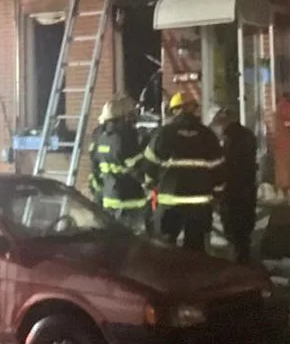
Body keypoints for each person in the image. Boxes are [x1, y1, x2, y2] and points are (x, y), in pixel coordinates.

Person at [144, 92, 224, 251]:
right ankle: (193, 276)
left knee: (165, 250)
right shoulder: (207, 135)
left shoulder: (163, 134)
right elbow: (219, 168)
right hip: (199, 207)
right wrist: (216, 193)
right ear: (193, 110)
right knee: (195, 251)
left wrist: (151, 186)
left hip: (169, 203)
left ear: (175, 110)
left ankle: (169, 275)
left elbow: (149, 165)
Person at [88, 96, 146, 231]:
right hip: (130, 200)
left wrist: (99, 192)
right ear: (122, 117)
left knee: (112, 239)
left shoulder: (101, 137)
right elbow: (135, 166)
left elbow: (95, 167)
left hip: (109, 198)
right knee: (132, 243)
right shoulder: (125, 136)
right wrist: (148, 184)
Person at [210, 106, 257, 264]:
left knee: (232, 224)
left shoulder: (227, 138)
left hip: (231, 189)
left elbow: (225, 164)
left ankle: (238, 261)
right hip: (248, 187)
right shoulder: (248, 135)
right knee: (245, 224)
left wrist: (218, 188)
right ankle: (244, 256)